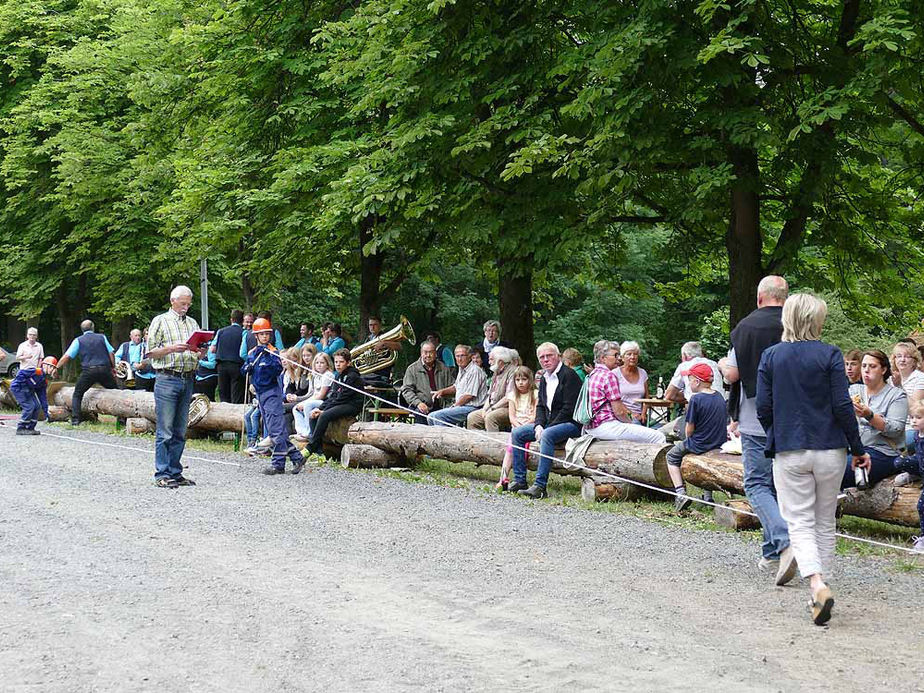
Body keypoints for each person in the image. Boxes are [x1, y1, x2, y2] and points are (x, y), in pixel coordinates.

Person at [756, 293, 869, 625]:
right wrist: (858, 448)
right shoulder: (830, 354)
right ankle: (821, 588)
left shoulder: (771, 356)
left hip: (789, 449)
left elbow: (763, 406)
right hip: (830, 448)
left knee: (800, 522)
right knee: (824, 521)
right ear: (816, 321)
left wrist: (777, 431)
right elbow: (842, 405)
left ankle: (817, 585)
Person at [719, 275, 792, 573]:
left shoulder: (746, 326)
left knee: (757, 483)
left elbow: (733, 375)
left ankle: (785, 541)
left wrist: (723, 365)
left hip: (755, 416)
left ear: (760, 298)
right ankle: (772, 552)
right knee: (779, 487)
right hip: (792, 416)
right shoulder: (796, 325)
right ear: (786, 297)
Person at [145, 286, 206, 488]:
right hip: (167, 379)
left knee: (180, 429)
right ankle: (161, 473)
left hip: (188, 377)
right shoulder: (160, 321)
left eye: (188, 304)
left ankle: (175, 471)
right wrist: (172, 348)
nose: (186, 307)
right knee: (166, 429)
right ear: (173, 301)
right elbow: (149, 353)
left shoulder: (192, 323)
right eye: (183, 304)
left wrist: (200, 352)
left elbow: (197, 351)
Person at [507, 342, 583, 499]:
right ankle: (520, 480)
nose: (546, 359)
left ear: (558, 356)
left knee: (547, 435)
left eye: (549, 356)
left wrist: (547, 428)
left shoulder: (570, 376)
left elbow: (569, 409)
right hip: (549, 423)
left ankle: (540, 486)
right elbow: (541, 405)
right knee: (517, 433)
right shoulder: (544, 378)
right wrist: (538, 425)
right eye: (542, 357)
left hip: (571, 424)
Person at [242, 320, 306, 475]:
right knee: (274, 429)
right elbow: (244, 370)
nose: (264, 337)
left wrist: (268, 360)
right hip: (260, 394)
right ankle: (297, 457)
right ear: (256, 335)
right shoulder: (253, 353)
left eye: (267, 334)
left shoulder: (273, 352)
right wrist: (247, 368)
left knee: (275, 431)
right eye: (261, 334)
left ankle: (278, 464)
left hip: (272, 393)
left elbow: (277, 369)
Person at [665, 363, 727, 512]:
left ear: (697, 381)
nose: (689, 383)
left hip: (699, 443)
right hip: (718, 442)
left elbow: (689, 427)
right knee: (704, 463)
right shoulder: (719, 396)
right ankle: (708, 497)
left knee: (671, 456)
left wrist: (687, 440)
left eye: (690, 379)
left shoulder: (695, 399)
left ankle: (680, 492)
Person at [842, 350, 908, 489]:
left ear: (883, 369)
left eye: (872, 366)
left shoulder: (897, 395)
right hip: (853, 448)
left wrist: (869, 415)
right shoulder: (853, 390)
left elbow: (895, 430)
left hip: (883, 452)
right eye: (864, 366)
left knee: (838, 473)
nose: (866, 370)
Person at [584, 341, 667, 445]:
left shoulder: (593, 374)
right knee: (658, 436)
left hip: (591, 427)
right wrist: (632, 424)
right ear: (603, 358)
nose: (618, 358)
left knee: (653, 430)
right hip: (607, 426)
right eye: (615, 355)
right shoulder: (609, 376)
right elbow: (619, 412)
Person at [54, 319, 117, 426]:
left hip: (89, 371)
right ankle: (121, 419)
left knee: (78, 394)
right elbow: (111, 353)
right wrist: (113, 367)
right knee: (116, 392)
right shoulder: (102, 337)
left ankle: (75, 420)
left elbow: (67, 356)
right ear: (93, 327)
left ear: (82, 329)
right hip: (104, 369)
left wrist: (56, 367)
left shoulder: (78, 340)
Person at [306, 348, 365, 457]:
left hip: (351, 404)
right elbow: (332, 396)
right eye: (336, 362)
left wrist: (323, 410)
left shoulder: (352, 376)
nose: (338, 365)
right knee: (313, 415)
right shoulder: (338, 376)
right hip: (340, 402)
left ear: (348, 363)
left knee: (324, 416)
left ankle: (310, 446)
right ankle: (319, 451)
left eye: (341, 362)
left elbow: (342, 397)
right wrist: (320, 408)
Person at [664, 341, 724, 432]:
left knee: (661, 433)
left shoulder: (684, 366)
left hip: (699, 419)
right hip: (720, 416)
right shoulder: (715, 365)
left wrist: (688, 396)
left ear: (684, 355)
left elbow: (669, 395)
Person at [495, 366, 538, 491]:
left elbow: (535, 416)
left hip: (530, 425)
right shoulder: (512, 395)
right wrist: (517, 426)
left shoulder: (535, 394)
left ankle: (520, 478)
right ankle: (503, 478)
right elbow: (512, 416)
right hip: (517, 426)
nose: (520, 383)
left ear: (530, 380)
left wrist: (524, 426)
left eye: (524, 379)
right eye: (518, 380)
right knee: (510, 448)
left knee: (521, 445)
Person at [892, 400, 924, 553]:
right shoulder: (918, 435)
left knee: (921, 505)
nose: (913, 421)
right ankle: (914, 475)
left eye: (918, 417)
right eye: (912, 417)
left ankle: (923, 537)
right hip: (920, 464)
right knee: (899, 461)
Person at [429, 345, 488, 427]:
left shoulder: (474, 371)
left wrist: (454, 406)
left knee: (438, 416)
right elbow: (456, 387)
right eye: (457, 356)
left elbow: (469, 396)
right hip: (462, 406)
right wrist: (442, 391)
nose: (460, 359)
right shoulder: (462, 369)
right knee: (430, 417)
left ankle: (446, 438)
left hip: (473, 407)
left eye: (462, 356)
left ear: (469, 356)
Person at [400, 342, 453, 424]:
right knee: (420, 414)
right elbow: (407, 390)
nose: (428, 355)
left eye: (431, 352)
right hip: (420, 406)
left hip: (441, 406)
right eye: (425, 352)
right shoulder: (412, 369)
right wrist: (418, 403)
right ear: (421, 353)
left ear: (435, 353)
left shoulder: (443, 368)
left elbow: (452, 386)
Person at [467, 346, 516, 431]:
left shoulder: (513, 372)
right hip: (494, 406)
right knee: (472, 417)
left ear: (500, 361)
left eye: (491, 359)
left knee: (491, 417)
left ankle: (493, 443)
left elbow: (508, 397)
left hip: (508, 408)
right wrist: (485, 409)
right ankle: (476, 443)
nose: (489, 362)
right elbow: (490, 395)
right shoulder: (496, 372)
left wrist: (492, 409)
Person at [889, 341, 924, 448]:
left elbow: (914, 409)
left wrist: (899, 387)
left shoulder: (920, 378)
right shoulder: (889, 379)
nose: (902, 360)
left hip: (911, 427)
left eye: (907, 357)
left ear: (914, 361)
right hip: (889, 426)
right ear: (894, 360)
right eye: (899, 356)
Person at [292, 352, 334, 441]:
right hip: (315, 399)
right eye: (317, 363)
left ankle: (309, 432)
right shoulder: (316, 375)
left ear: (327, 364)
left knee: (308, 405)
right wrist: (302, 403)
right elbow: (314, 394)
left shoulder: (328, 375)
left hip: (325, 401)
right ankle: (301, 431)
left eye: (322, 363)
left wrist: (305, 403)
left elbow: (322, 395)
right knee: (296, 408)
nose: (319, 365)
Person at [10, 356, 56, 435]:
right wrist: (26, 383)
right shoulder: (37, 371)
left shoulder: (43, 381)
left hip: (28, 390)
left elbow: (42, 397)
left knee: (37, 406)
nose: (52, 369)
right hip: (19, 388)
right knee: (29, 406)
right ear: (44, 365)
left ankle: (30, 428)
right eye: (51, 366)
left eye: (53, 367)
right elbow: (21, 373)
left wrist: (46, 412)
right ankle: (21, 428)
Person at [212, 309, 245, 403]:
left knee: (223, 394)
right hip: (237, 365)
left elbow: (213, 349)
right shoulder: (243, 332)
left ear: (231, 319)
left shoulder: (221, 331)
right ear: (242, 320)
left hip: (221, 365)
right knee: (237, 394)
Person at [614, 341, 650, 424]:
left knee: (661, 429)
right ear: (622, 357)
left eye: (635, 354)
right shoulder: (615, 374)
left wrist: (644, 413)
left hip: (642, 416)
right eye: (629, 354)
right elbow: (615, 401)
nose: (632, 357)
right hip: (623, 415)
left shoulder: (643, 373)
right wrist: (632, 414)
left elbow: (647, 398)